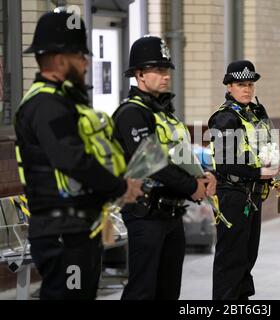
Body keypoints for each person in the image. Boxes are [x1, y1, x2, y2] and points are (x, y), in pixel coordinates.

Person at [14, 10, 143, 300]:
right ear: (60, 60)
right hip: (62, 231)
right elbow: (72, 159)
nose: (86, 63)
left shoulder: (60, 102)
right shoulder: (46, 105)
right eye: (80, 56)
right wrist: (121, 187)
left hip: (75, 228)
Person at [112, 35, 216, 300]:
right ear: (139, 74)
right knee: (142, 291)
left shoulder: (165, 113)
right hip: (144, 213)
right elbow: (151, 163)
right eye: (158, 69)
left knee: (169, 291)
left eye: (166, 69)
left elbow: (179, 153)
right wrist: (192, 186)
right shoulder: (131, 113)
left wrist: (203, 175)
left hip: (171, 213)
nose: (166, 75)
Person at [208, 60, 280, 300]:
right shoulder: (224, 118)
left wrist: (273, 169)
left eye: (250, 84)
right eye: (241, 84)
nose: (247, 89)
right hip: (232, 193)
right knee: (231, 257)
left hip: (252, 194)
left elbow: (262, 148)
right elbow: (226, 162)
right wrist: (260, 173)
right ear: (229, 86)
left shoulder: (254, 114)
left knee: (248, 254)